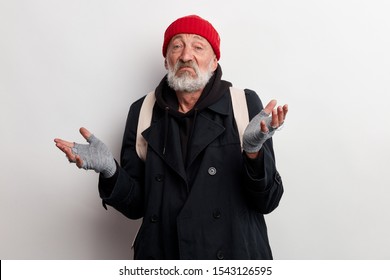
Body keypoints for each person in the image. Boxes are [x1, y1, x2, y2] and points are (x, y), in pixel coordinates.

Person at [54, 15, 288, 260]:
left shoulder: (243, 104)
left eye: (198, 47)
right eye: (177, 46)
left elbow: (268, 201)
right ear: (167, 61)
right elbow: (136, 206)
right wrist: (110, 171)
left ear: (215, 61)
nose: (186, 56)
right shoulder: (142, 110)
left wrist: (253, 153)